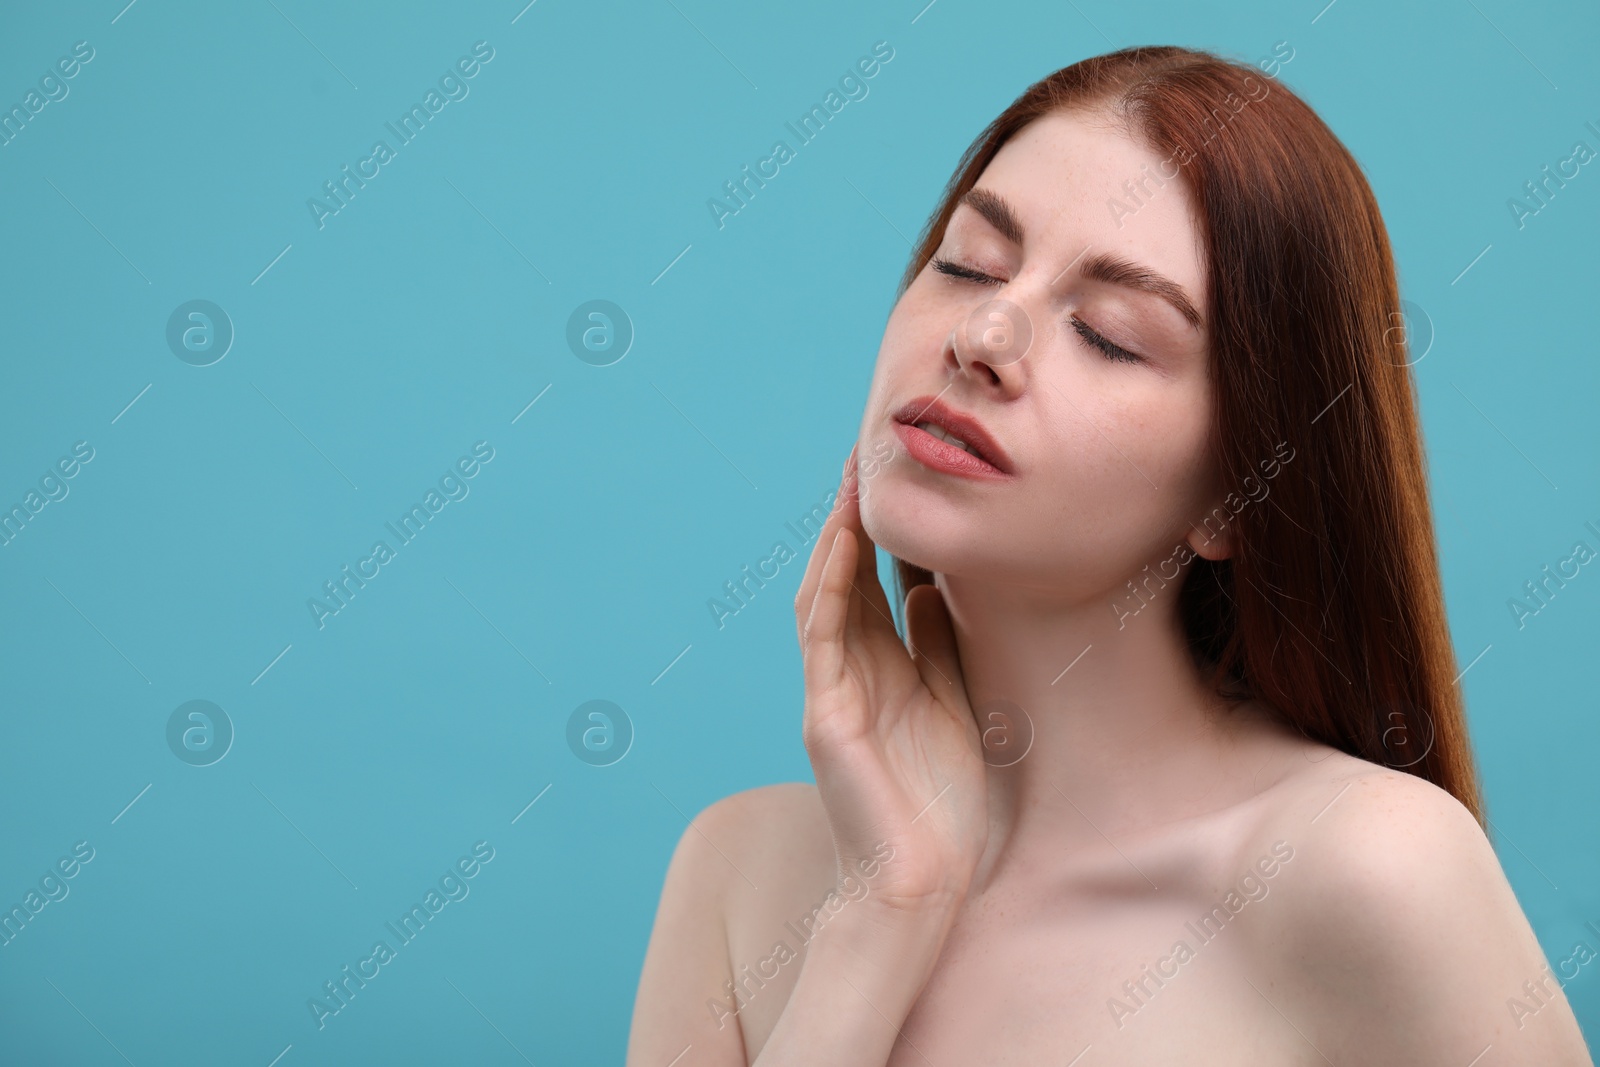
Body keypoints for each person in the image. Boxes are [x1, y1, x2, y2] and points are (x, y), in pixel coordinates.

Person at [626, 44, 1594, 1065]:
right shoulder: (736, 872)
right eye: (965, 264)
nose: (984, 333)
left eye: (1110, 333)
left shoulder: (1368, 867)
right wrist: (881, 912)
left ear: (1237, 492)